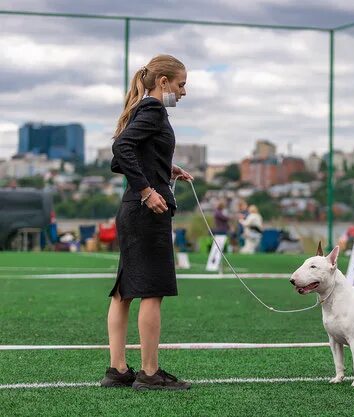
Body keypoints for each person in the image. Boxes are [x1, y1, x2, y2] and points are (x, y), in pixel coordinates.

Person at [103, 55, 192, 391]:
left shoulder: (141, 109)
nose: (184, 92)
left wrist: (164, 168)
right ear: (164, 81)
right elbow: (121, 148)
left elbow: (122, 158)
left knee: (124, 291)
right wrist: (146, 189)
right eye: (181, 84)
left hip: (132, 212)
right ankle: (150, 373)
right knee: (152, 291)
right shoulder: (154, 110)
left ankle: (117, 370)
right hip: (146, 213)